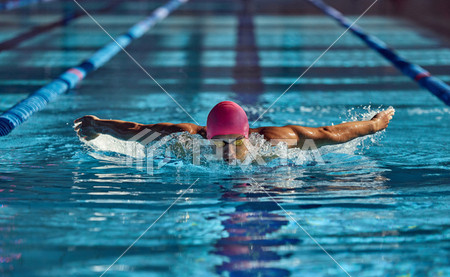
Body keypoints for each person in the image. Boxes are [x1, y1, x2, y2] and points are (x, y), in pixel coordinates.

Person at [74, 101, 394, 163]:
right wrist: (100, 126)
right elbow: (140, 130)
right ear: (207, 137)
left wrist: (374, 124)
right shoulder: (189, 138)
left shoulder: (272, 142)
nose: (227, 151)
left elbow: (331, 133)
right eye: (220, 143)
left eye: (234, 142)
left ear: (246, 136)